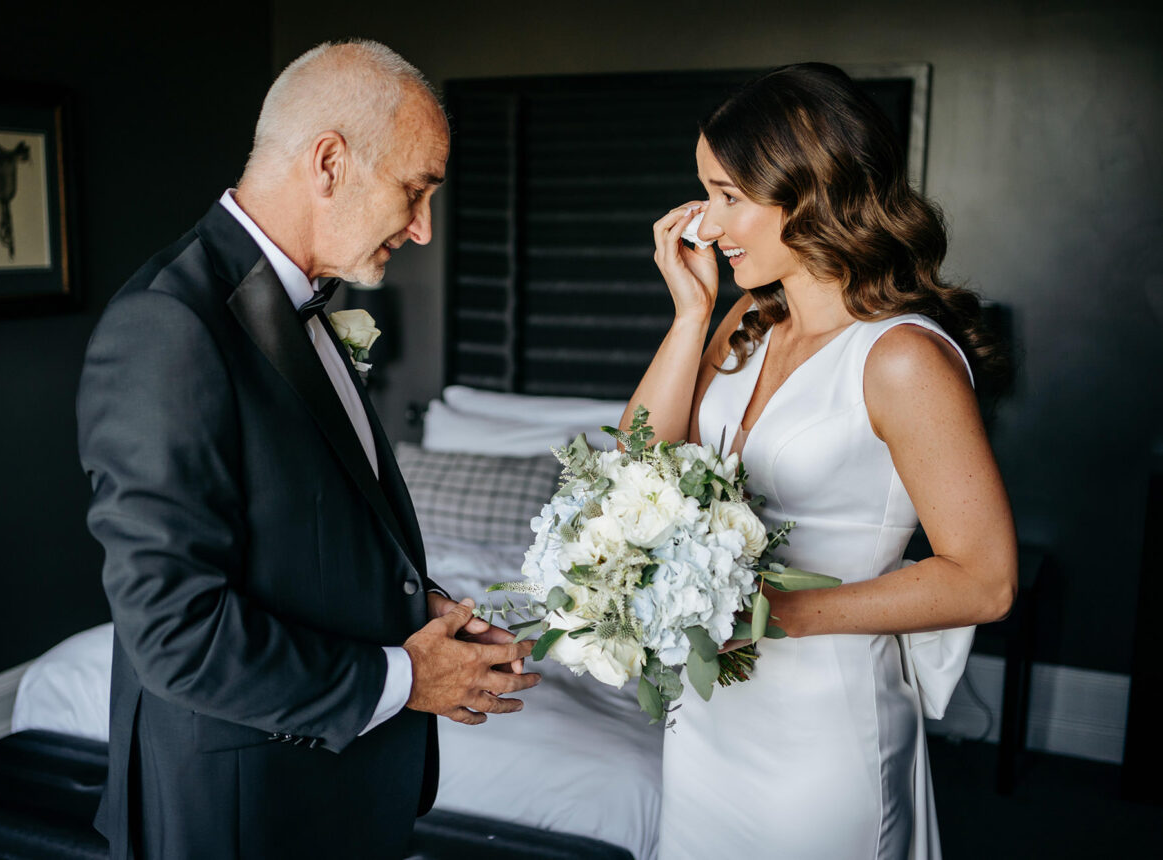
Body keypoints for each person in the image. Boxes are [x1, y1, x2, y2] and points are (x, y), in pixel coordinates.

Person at [76, 40, 539, 859]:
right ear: (329, 162)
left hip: (326, 796)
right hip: (241, 812)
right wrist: (405, 679)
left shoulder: (299, 301)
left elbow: (304, 524)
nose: (426, 229)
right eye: (415, 190)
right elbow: (173, 631)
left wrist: (413, 607)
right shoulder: (169, 327)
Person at [626, 63, 1017, 860]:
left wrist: (773, 614)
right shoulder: (747, 319)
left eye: (729, 195)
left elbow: (985, 579)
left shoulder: (901, 358)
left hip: (819, 731)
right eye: (705, 190)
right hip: (709, 717)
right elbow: (635, 469)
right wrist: (689, 316)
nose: (705, 222)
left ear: (811, 194)